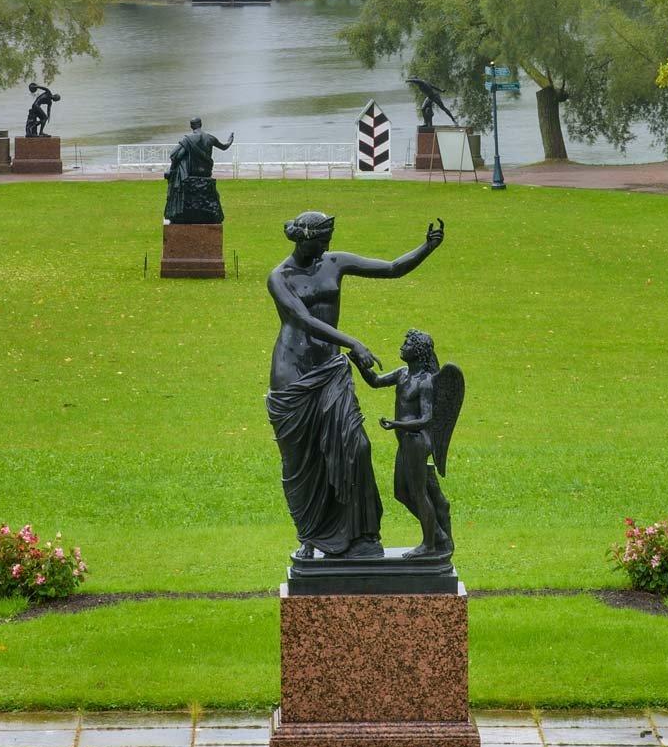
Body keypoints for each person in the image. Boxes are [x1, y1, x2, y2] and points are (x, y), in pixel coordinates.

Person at [264, 211, 443, 559]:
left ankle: (362, 536)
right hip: (293, 374)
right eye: (322, 240)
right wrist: (353, 343)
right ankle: (310, 537)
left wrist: (427, 247)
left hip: (330, 369)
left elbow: (391, 268)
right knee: (304, 459)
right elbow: (302, 320)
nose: (328, 246)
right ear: (304, 239)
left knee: (356, 447)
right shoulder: (279, 278)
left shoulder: (334, 262)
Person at [365, 329, 457, 559]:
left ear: (418, 351)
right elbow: (376, 381)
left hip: (417, 441)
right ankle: (439, 536)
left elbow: (427, 419)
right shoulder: (403, 374)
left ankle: (429, 545)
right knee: (401, 492)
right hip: (406, 442)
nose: (402, 346)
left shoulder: (425, 382)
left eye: (407, 344)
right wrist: (358, 362)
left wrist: (397, 424)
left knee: (418, 493)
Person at [164, 117, 233, 224]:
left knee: (179, 166)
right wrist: (230, 140)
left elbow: (175, 156)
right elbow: (224, 146)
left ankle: (178, 211)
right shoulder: (210, 138)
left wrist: (172, 170)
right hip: (206, 173)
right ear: (201, 124)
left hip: (191, 174)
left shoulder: (188, 139)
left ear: (191, 126)